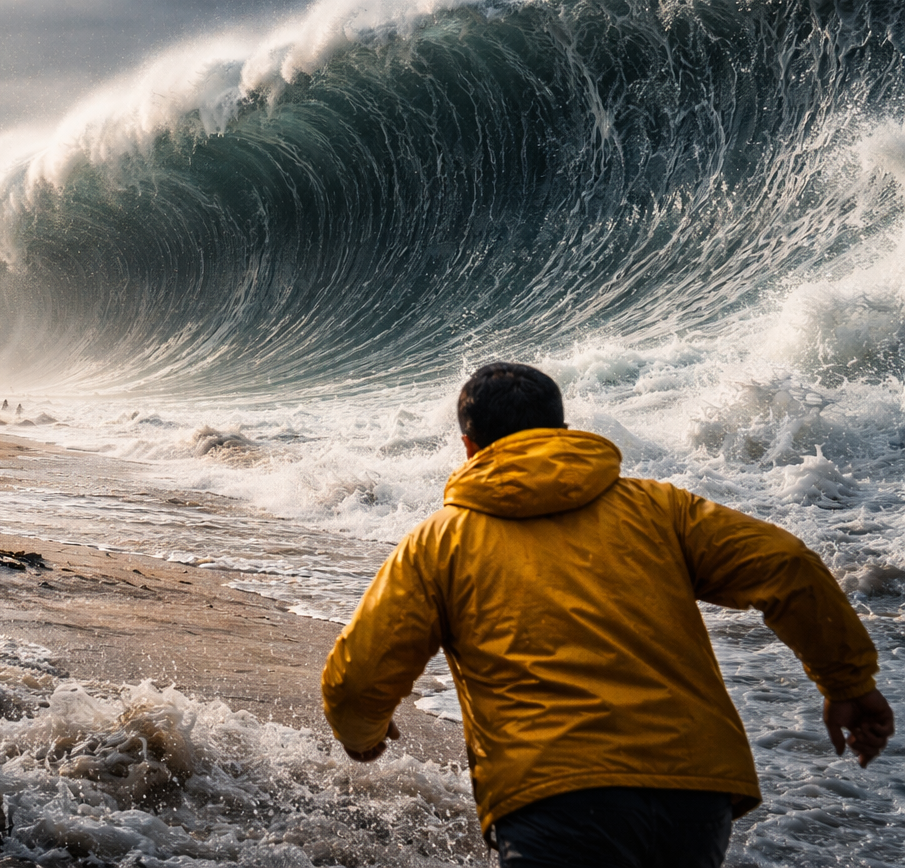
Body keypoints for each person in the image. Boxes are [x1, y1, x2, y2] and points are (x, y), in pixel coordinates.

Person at [321, 362, 892, 867]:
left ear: (469, 447)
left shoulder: (438, 543)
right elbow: (788, 564)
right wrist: (848, 681)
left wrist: (363, 737)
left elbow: (359, 676)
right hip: (693, 791)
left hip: (552, 796)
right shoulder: (661, 509)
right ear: (564, 434)